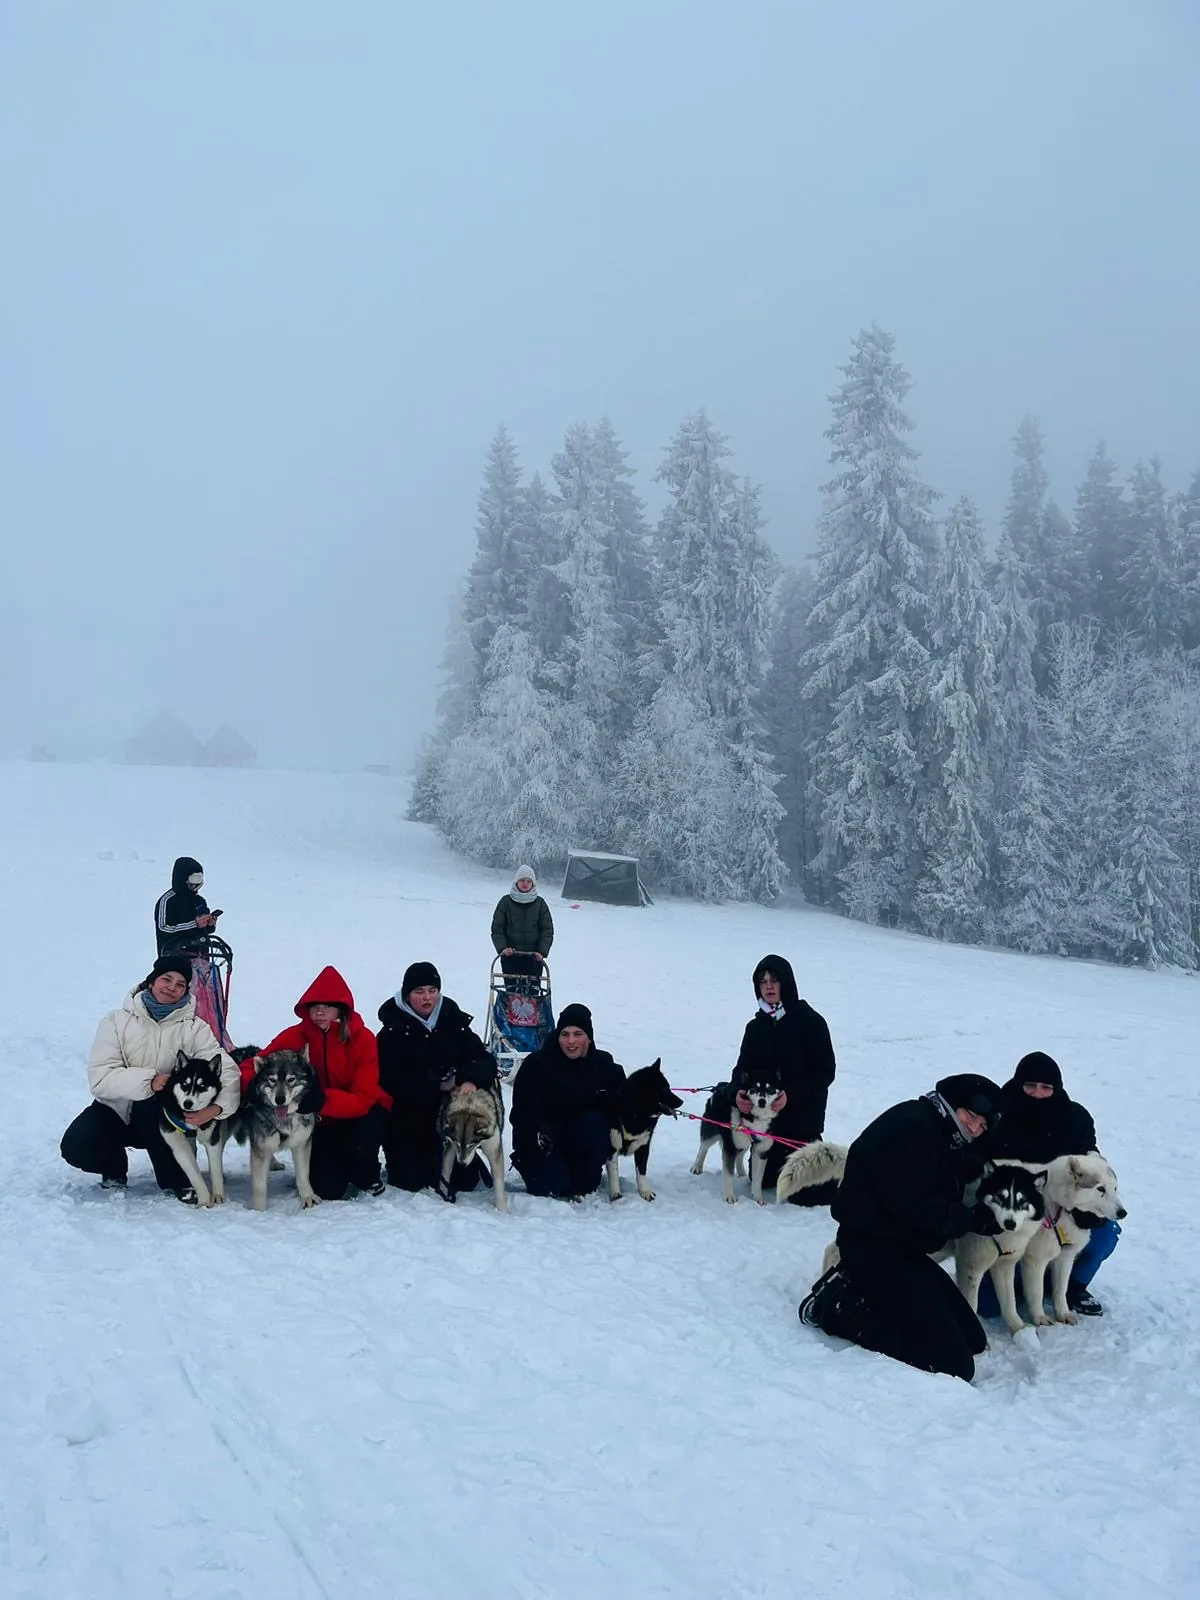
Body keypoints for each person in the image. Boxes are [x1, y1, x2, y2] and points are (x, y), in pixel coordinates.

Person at [799, 1073, 1004, 1383]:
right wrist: (972, 1219)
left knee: (973, 1338)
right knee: (955, 1365)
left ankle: (883, 1302)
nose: (975, 1127)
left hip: (902, 1248)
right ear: (952, 1105)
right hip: (870, 1249)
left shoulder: (942, 1130)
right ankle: (838, 1310)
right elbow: (920, 1211)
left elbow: (947, 1170)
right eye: (971, 1116)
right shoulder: (912, 1130)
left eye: (983, 1124)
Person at [60, 954, 240, 1202]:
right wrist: (149, 1081)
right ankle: (113, 1168)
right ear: (152, 981)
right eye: (166, 979)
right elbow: (100, 1077)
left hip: (163, 1115)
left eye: (180, 984)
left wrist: (217, 1108)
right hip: (117, 1108)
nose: (172, 988)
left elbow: (227, 1071)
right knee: (76, 1145)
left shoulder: (194, 1027)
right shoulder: (116, 1021)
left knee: (153, 1107)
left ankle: (176, 1180)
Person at [982, 1051, 1116, 1316]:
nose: (1036, 1093)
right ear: (1018, 1083)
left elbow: (1091, 1161)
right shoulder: (998, 1114)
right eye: (1029, 1085)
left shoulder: (1075, 1118)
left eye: (1046, 1087)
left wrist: (1087, 1208)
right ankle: (1029, 1278)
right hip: (1014, 1208)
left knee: (1104, 1234)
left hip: (1065, 1204)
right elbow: (984, 1166)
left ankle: (1072, 1287)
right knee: (988, 1307)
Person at [253, 966, 390, 1201]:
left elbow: (364, 1096)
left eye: (326, 1007)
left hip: (359, 1115)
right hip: (320, 1122)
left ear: (341, 1009)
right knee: (327, 1188)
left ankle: (366, 1171)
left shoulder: (363, 1039)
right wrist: (253, 1088)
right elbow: (258, 1064)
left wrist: (323, 1099)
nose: (319, 1012)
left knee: (366, 1131)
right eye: (315, 1007)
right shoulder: (297, 1034)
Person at [377, 961, 498, 1194]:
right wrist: (437, 1085)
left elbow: (484, 1060)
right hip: (407, 1117)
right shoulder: (391, 1030)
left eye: (432, 991)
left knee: (464, 1182)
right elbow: (390, 1079)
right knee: (409, 1182)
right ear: (407, 994)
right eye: (419, 991)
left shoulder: (453, 1020)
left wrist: (468, 1079)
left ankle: (462, 1159)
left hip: (448, 1117)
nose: (427, 998)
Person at [733, 955, 836, 1192]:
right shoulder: (755, 1027)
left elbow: (825, 1072)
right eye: (763, 981)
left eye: (774, 980)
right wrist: (735, 1093)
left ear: (787, 983)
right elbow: (742, 1069)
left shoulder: (811, 1023)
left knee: (808, 1192)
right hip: (767, 1127)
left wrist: (792, 1094)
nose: (768, 986)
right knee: (765, 1181)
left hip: (802, 1125)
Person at [509, 1003, 625, 1199]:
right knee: (552, 1187)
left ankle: (583, 1172)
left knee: (586, 1182)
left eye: (578, 1034)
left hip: (580, 1144)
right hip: (543, 1145)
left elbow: (625, 1100)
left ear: (589, 1037)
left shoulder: (604, 1065)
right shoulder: (537, 1065)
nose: (571, 1041)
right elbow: (522, 1115)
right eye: (565, 1034)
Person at [153, 855, 230, 1046]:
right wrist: (192, 924)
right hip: (174, 956)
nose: (196, 887)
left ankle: (209, 1034)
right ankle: (172, 1037)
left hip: (200, 955)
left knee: (205, 998)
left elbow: (204, 927)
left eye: (199, 882)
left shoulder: (199, 900)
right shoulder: (167, 901)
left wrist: (209, 924)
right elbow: (164, 927)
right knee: (179, 995)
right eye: (192, 881)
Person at [491, 865, 554, 979]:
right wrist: (503, 948)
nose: (525, 883)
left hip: (533, 958)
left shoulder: (540, 904)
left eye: (529, 881)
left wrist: (541, 951)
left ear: (533, 884)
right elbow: (497, 928)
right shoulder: (505, 902)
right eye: (522, 880)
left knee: (532, 992)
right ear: (516, 882)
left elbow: (547, 930)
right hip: (510, 956)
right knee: (512, 992)